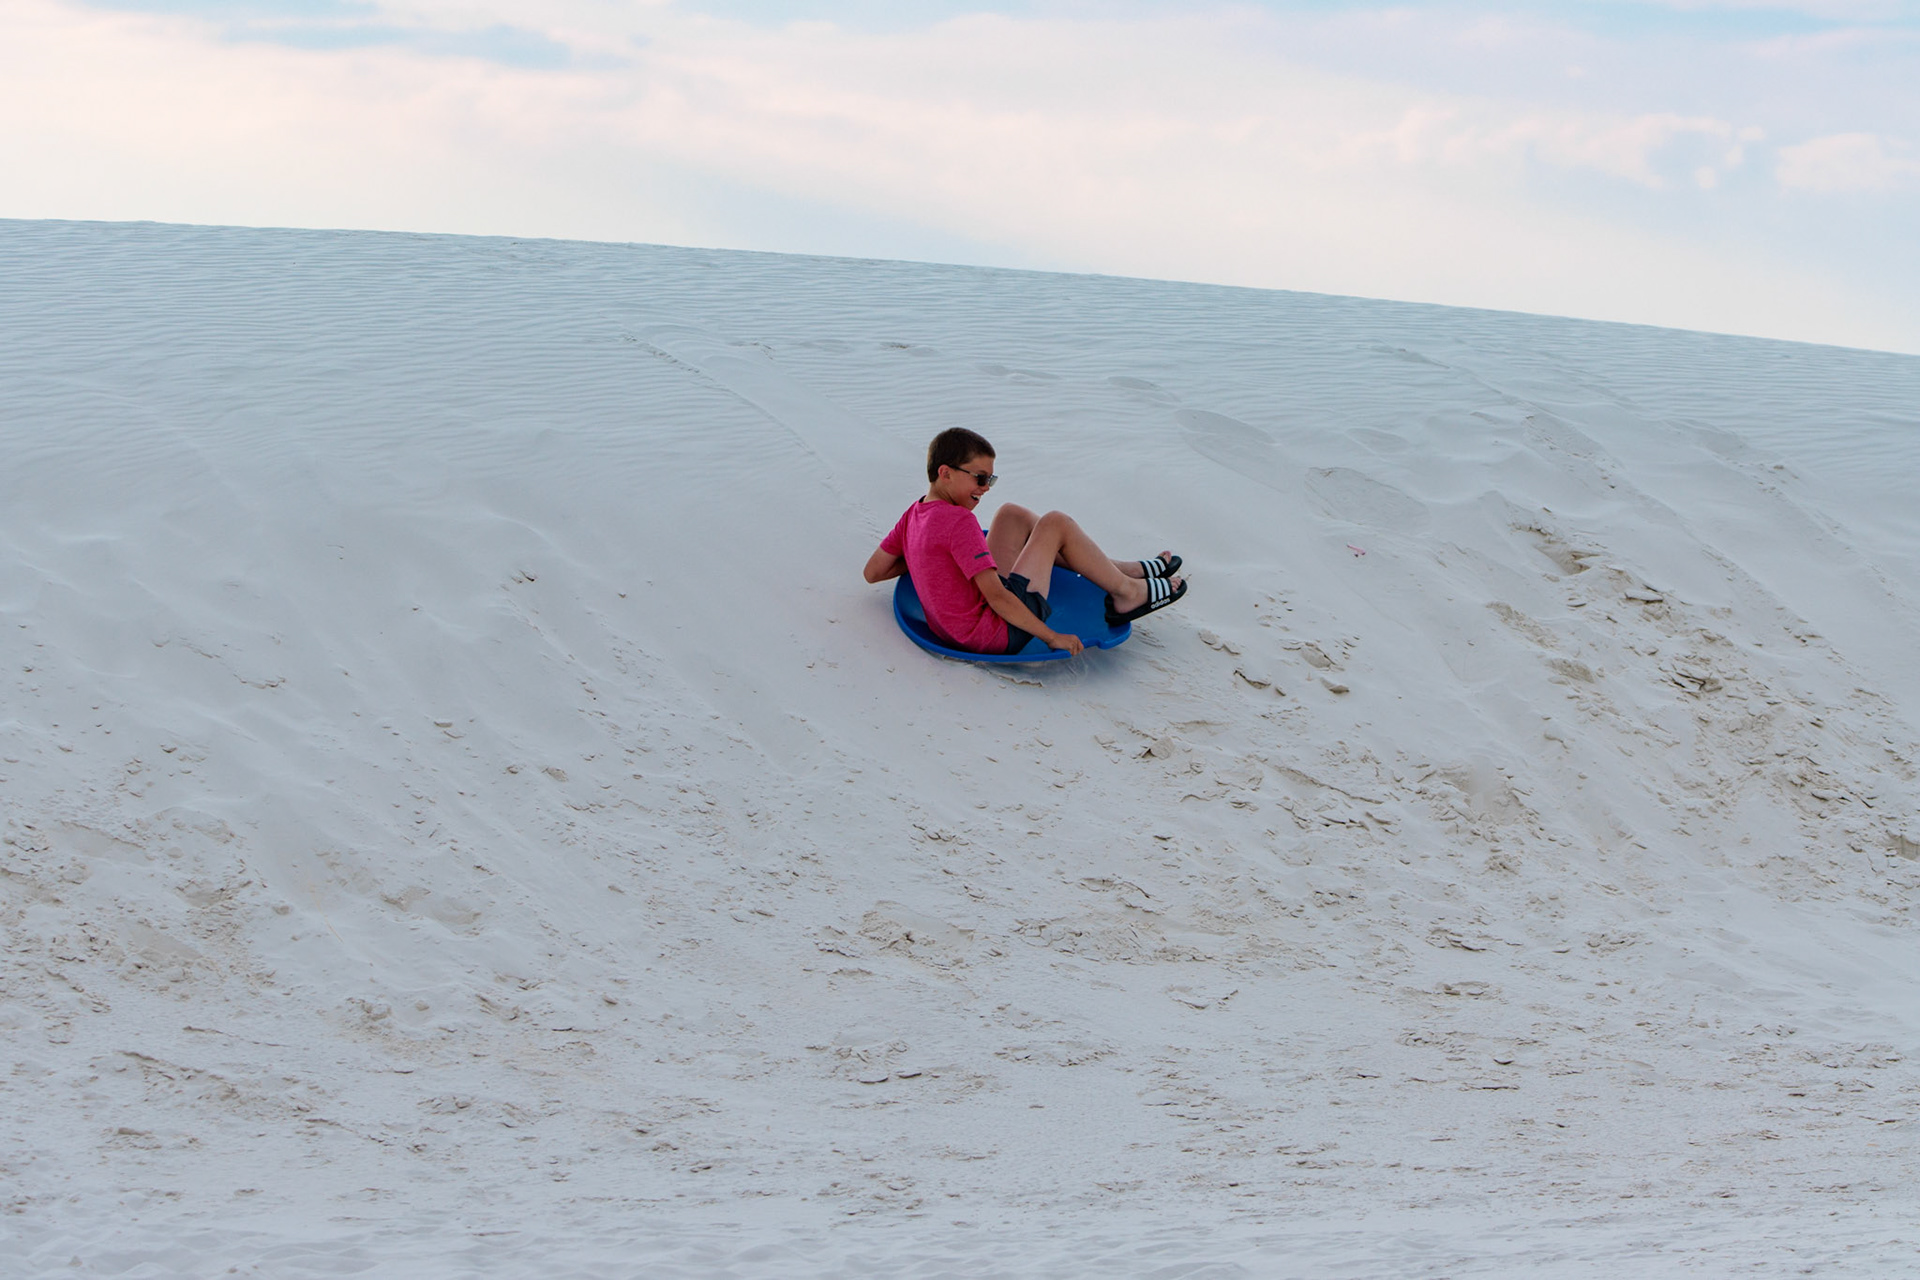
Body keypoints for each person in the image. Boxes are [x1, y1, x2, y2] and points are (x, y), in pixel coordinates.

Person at [863, 428, 1187, 657]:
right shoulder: (959, 521)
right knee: (1055, 522)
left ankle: (1121, 570)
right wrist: (1051, 637)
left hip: (960, 626)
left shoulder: (915, 513)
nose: (986, 487)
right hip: (996, 632)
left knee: (1011, 514)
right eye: (979, 478)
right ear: (945, 473)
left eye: (990, 478)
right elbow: (997, 598)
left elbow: (873, 571)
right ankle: (1127, 593)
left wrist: (930, 557)